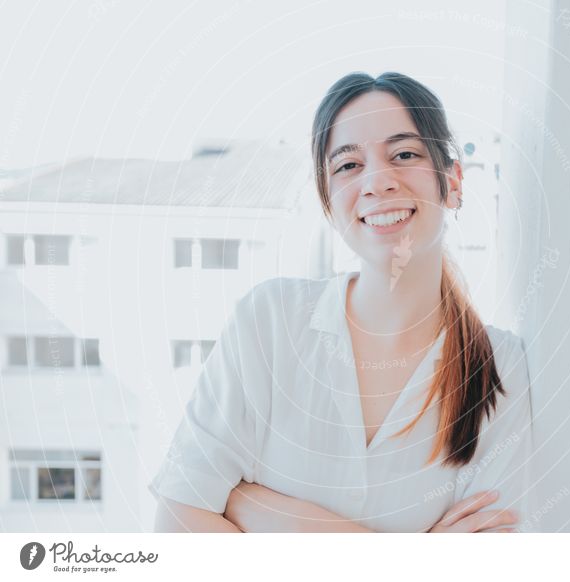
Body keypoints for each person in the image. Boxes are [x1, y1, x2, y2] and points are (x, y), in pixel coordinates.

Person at [150, 72, 537, 533]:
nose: (377, 181)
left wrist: (260, 511)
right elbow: (178, 523)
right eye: (348, 165)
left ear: (452, 182)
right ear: (329, 201)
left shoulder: (499, 366)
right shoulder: (270, 321)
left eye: (404, 154)